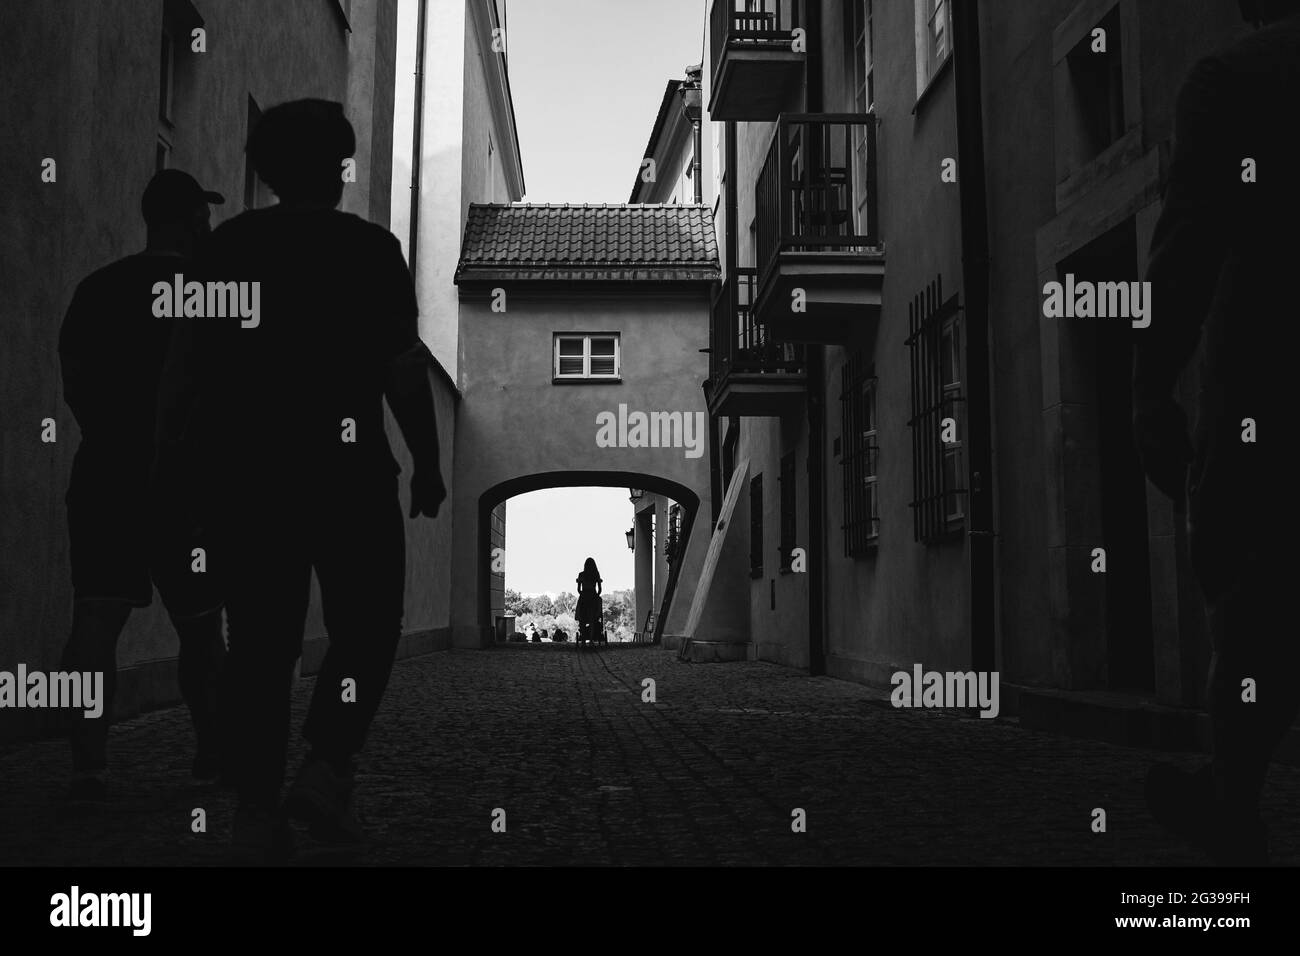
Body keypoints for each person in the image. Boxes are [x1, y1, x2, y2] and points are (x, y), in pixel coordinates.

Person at [160, 99, 446, 861]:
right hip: (348, 471)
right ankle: (326, 765)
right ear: (342, 170)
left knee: (260, 646)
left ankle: (256, 811)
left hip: (246, 475)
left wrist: (174, 464)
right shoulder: (373, 250)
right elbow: (401, 365)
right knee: (368, 624)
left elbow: (186, 367)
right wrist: (427, 461)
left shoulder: (225, 249)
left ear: (264, 170)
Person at [1133, 0, 1300, 865]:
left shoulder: (1238, 77)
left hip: (1271, 390)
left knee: (1256, 600)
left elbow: (1187, 247)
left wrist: (1150, 386)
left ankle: (1233, 795)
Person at [57, 169, 228, 809]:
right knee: (202, 628)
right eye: (204, 217)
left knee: (94, 625)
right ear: (191, 220)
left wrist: (109, 437)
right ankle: (211, 757)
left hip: (106, 475)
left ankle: (88, 769)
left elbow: (74, 380)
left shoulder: (97, 289)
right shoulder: (208, 296)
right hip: (188, 485)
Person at [575, 558, 603, 645]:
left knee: (582, 618)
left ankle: (583, 639)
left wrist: (582, 594)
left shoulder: (581, 575)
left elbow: (578, 589)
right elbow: (600, 590)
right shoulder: (595, 574)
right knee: (592, 619)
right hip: (593, 596)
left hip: (584, 597)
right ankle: (591, 639)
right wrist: (596, 595)